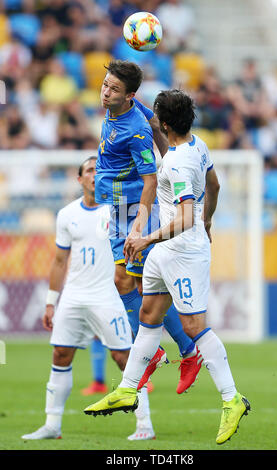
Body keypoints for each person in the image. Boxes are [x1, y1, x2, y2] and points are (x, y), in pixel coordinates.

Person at [84, 90, 251, 446]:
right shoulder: (198, 145)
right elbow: (215, 185)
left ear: (163, 122)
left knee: (193, 326)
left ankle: (232, 398)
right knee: (147, 313)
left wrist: (147, 239)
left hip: (181, 252)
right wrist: (209, 219)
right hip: (166, 251)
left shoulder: (176, 164)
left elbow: (186, 217)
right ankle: (128, 389)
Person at [21, 157, 155, 441]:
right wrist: (50, 300)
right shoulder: (66, 214)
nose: (95, 175)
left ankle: (145, 425)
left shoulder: (117, 212)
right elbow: (59, 261)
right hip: (73, 296)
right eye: (90, 170)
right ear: (79, 179)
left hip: (107, 296)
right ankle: (52, 425)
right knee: (60, 354)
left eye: (99, 170)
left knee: (123, 358)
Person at [91, 59, 202, 397]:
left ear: (130, 96)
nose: (105, 92)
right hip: (117, 207)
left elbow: (150, 178)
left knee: (145, 290)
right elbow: (152, 118)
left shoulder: (134, 130)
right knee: (126, 282)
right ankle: (162, 351)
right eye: (105, 85)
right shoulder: (122, 108)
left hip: (135, 210)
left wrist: (140, 221)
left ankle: (187, 351)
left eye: (113, 89)